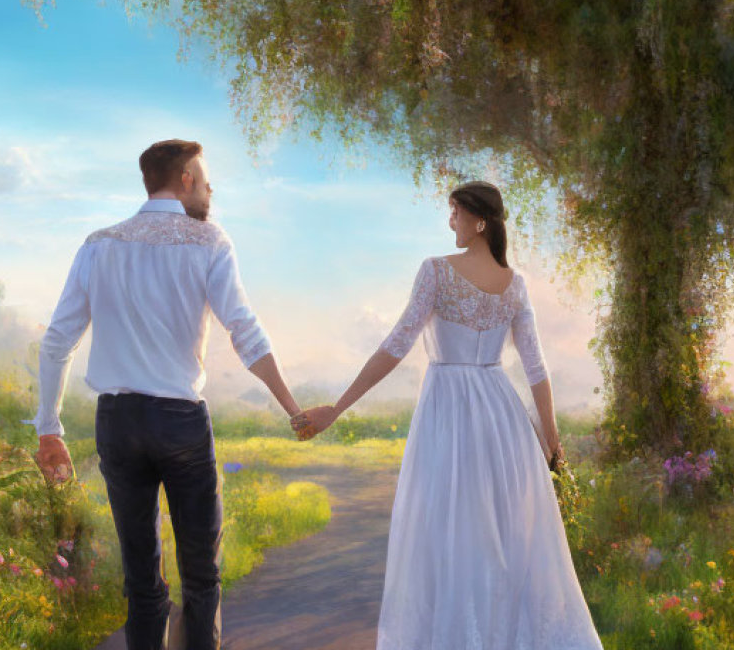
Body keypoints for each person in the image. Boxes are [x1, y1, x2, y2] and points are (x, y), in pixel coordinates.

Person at [292, 181, 604, 649]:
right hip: (503, 420)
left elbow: (396, 346)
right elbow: (536, 369)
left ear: (478, 220)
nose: (450, 221)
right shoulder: (514, 284)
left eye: (454, 212)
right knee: (500, 540)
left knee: (446, 533)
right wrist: (551, 444)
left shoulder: (435, 271)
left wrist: (337, 409)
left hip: (448, 415)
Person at [30, 139, 302, 650]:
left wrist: (49, 427)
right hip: (179, 422)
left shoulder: (99, 243)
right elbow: (244, 331)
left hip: (117, 422)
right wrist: (292, 408)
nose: (210, 187)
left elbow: (57, 341)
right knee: (201, 575)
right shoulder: (209, 242)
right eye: (204, 176)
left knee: (140, 578)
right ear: (184, 180)